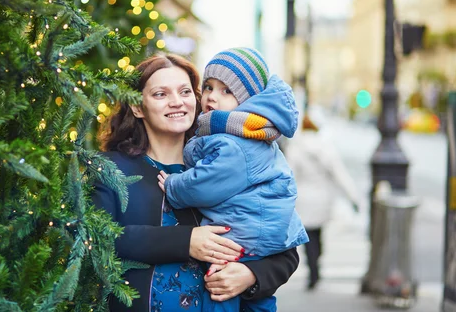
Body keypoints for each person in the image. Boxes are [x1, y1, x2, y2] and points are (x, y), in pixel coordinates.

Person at [92, 53, 300, 312]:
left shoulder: (223, 164)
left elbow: (286, 248)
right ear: (137, 106)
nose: (176, 102)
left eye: (185, 92)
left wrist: (251, 275)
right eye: (161, 94)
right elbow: (98, 238)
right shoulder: (110, 168)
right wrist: (186, 241)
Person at [158, 47, 309, 312]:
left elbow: (204, 184)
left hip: (244, 233)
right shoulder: (234, 131)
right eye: (208, 87)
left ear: (247, 100)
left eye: (227, 91)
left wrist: (173, 185)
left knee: (220, 286)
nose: (212, 97)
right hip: (256, 228)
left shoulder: (232, 141)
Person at [284, 115, 361, 290]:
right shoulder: (326, 147)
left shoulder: (296, 148)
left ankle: (313, 270)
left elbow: (290, 175)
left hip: (304, 198)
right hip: (323, 199)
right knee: (318, 234)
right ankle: (316, 264)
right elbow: (340, 175)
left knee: (309, 236)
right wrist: (353, 198)